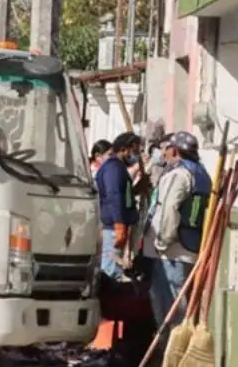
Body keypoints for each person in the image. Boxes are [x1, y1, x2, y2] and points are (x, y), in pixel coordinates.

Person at [143, 131, 212, 330]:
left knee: (170, 307)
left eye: (165, 148)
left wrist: (162, 241)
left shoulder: (178, 175)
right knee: (181, 304)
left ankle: (171, 354)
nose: (162, 153)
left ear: (175, 150)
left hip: (171, 251)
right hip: (190, 246)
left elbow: (168, 209)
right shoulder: (201, 173)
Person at [95, 132, 141, 279]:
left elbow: (124, 194)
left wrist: (139, 188)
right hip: (112, 226)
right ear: (123, 149)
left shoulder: (119, 168)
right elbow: (114, 196)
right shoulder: (113, 168)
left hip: (117, 224)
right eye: (133, 150)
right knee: (110, 268)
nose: (135, 155)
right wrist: (119, 223)